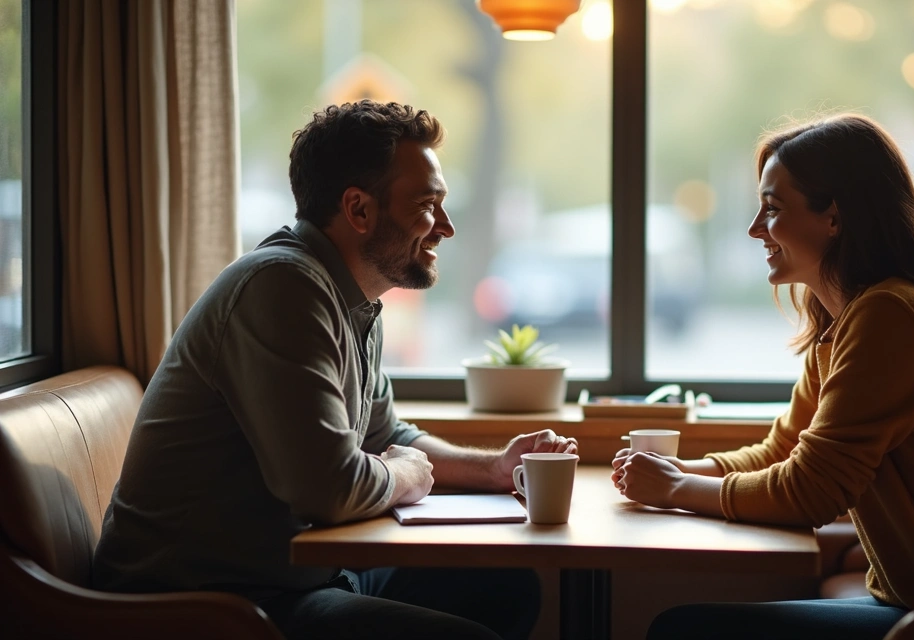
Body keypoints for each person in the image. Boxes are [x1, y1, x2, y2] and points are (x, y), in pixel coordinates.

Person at [93, 100, 577, 640]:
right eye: (427, 205)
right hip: (204, 605)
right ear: (359, 210)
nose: (446, 228)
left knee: (507, 587)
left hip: (294, 577)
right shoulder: (283, 288)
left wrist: (491, 468)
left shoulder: (355, 300)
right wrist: (408, 475)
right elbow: (329, 487)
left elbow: (384, 434)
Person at [612, 113, 914, 640]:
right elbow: (782, 452)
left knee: (686, 631)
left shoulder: (894, 316)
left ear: (833, 217)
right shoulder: (846, 319)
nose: (754, 229)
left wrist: (676, 487)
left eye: (772, 208)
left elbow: (810, 493)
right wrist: (678, 470)